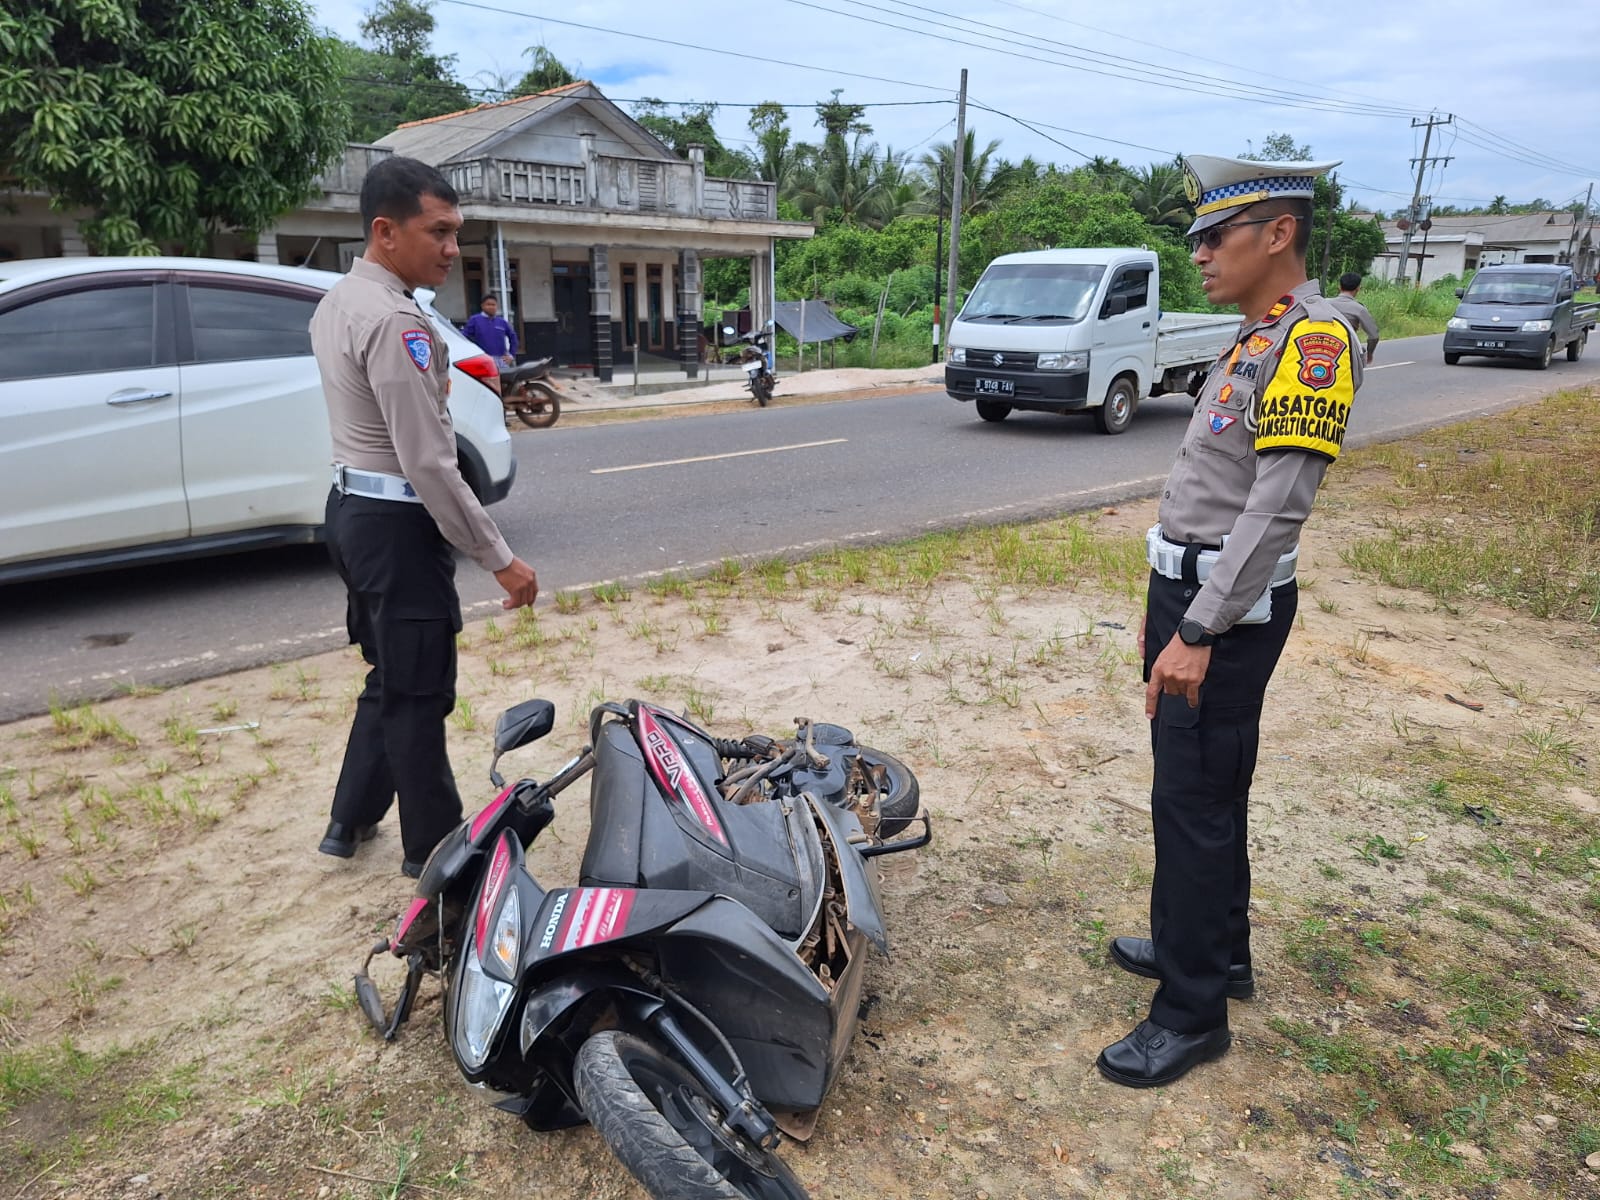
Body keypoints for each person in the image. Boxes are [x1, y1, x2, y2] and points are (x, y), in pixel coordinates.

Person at [1097, 153, 1363, 1088]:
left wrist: (1198, 632)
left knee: (1196, 799)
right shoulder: (1257, 338)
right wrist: (1167, 615)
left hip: (1228, 609)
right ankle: (1208, 948)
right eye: (1197, 237)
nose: (1200, 253)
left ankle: (1191, 1010)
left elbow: (1276, 509)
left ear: (1278, 234)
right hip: (1192, 593)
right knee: (1202, 786)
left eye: (1218, 236)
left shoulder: (1315, 343)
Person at [311, 156, 539, 877]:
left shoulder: (341, 300)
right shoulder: (393, 322)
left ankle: (348, 821)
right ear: (385, 231)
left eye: (455, 232)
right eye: (437, 231)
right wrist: (500, 557)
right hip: (397, 530)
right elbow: (432, 463)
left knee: (391, 675)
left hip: (353, 512)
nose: (451, 247)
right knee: (419, 692)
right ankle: (441, 858)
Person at [1329, 272, 1380, 364]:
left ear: (1339, 287)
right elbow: (1374, 336)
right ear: (1358, 288)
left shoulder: (1324, 303)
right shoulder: (1359, 309)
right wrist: (1369, 354)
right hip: (1346, 349)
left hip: (1321, 346)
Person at [463, 292, 519, 368]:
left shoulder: (502, 322)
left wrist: (511, 355)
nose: (491, 307)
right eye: (488, 304)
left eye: (493, 305)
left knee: (504, 379)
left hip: (501, 361)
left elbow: (513, 337)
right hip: (482, 360)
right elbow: (464, 337)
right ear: (482, 306)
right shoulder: (475, 320)